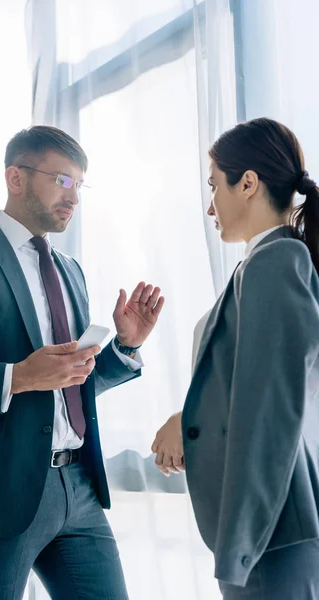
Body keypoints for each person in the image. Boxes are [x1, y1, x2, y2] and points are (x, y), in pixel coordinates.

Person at [0, 125, 165, 600]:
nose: (73, 198)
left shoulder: (70, 270)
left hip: (79, 489)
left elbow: (70, 384)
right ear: (16, 178)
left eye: (80, 185)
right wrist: (17, 377)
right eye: (62, 181)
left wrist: (124, 348)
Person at [152, 118, 319, 599]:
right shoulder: (268, 262)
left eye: (213, 186)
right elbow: (255, 384)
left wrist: (241, 547)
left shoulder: (276, 263)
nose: (209, 206)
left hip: (271, 538)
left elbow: (270, 409)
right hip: (274, 535)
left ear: (247, 183)